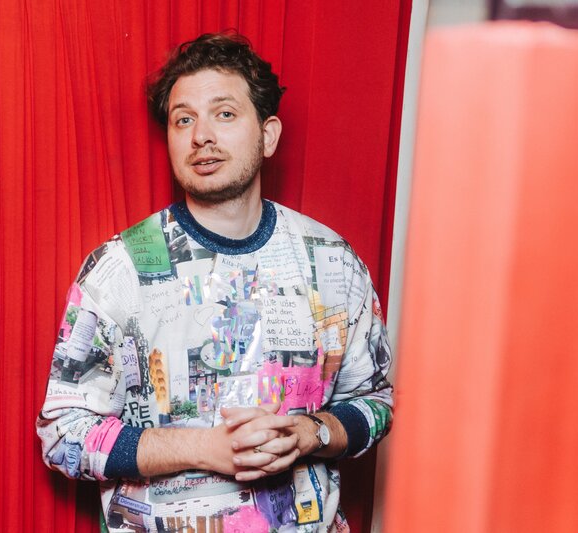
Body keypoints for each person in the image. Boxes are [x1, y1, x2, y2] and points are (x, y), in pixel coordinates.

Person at [37, 32, 393, 533]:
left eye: (224, 113)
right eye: (183, 119)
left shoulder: (332, 260)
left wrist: (311, 434)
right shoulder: (120, 269)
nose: (201, 135)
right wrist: (207, 448)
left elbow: (377, 401)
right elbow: (62, 434)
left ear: (268, 135)